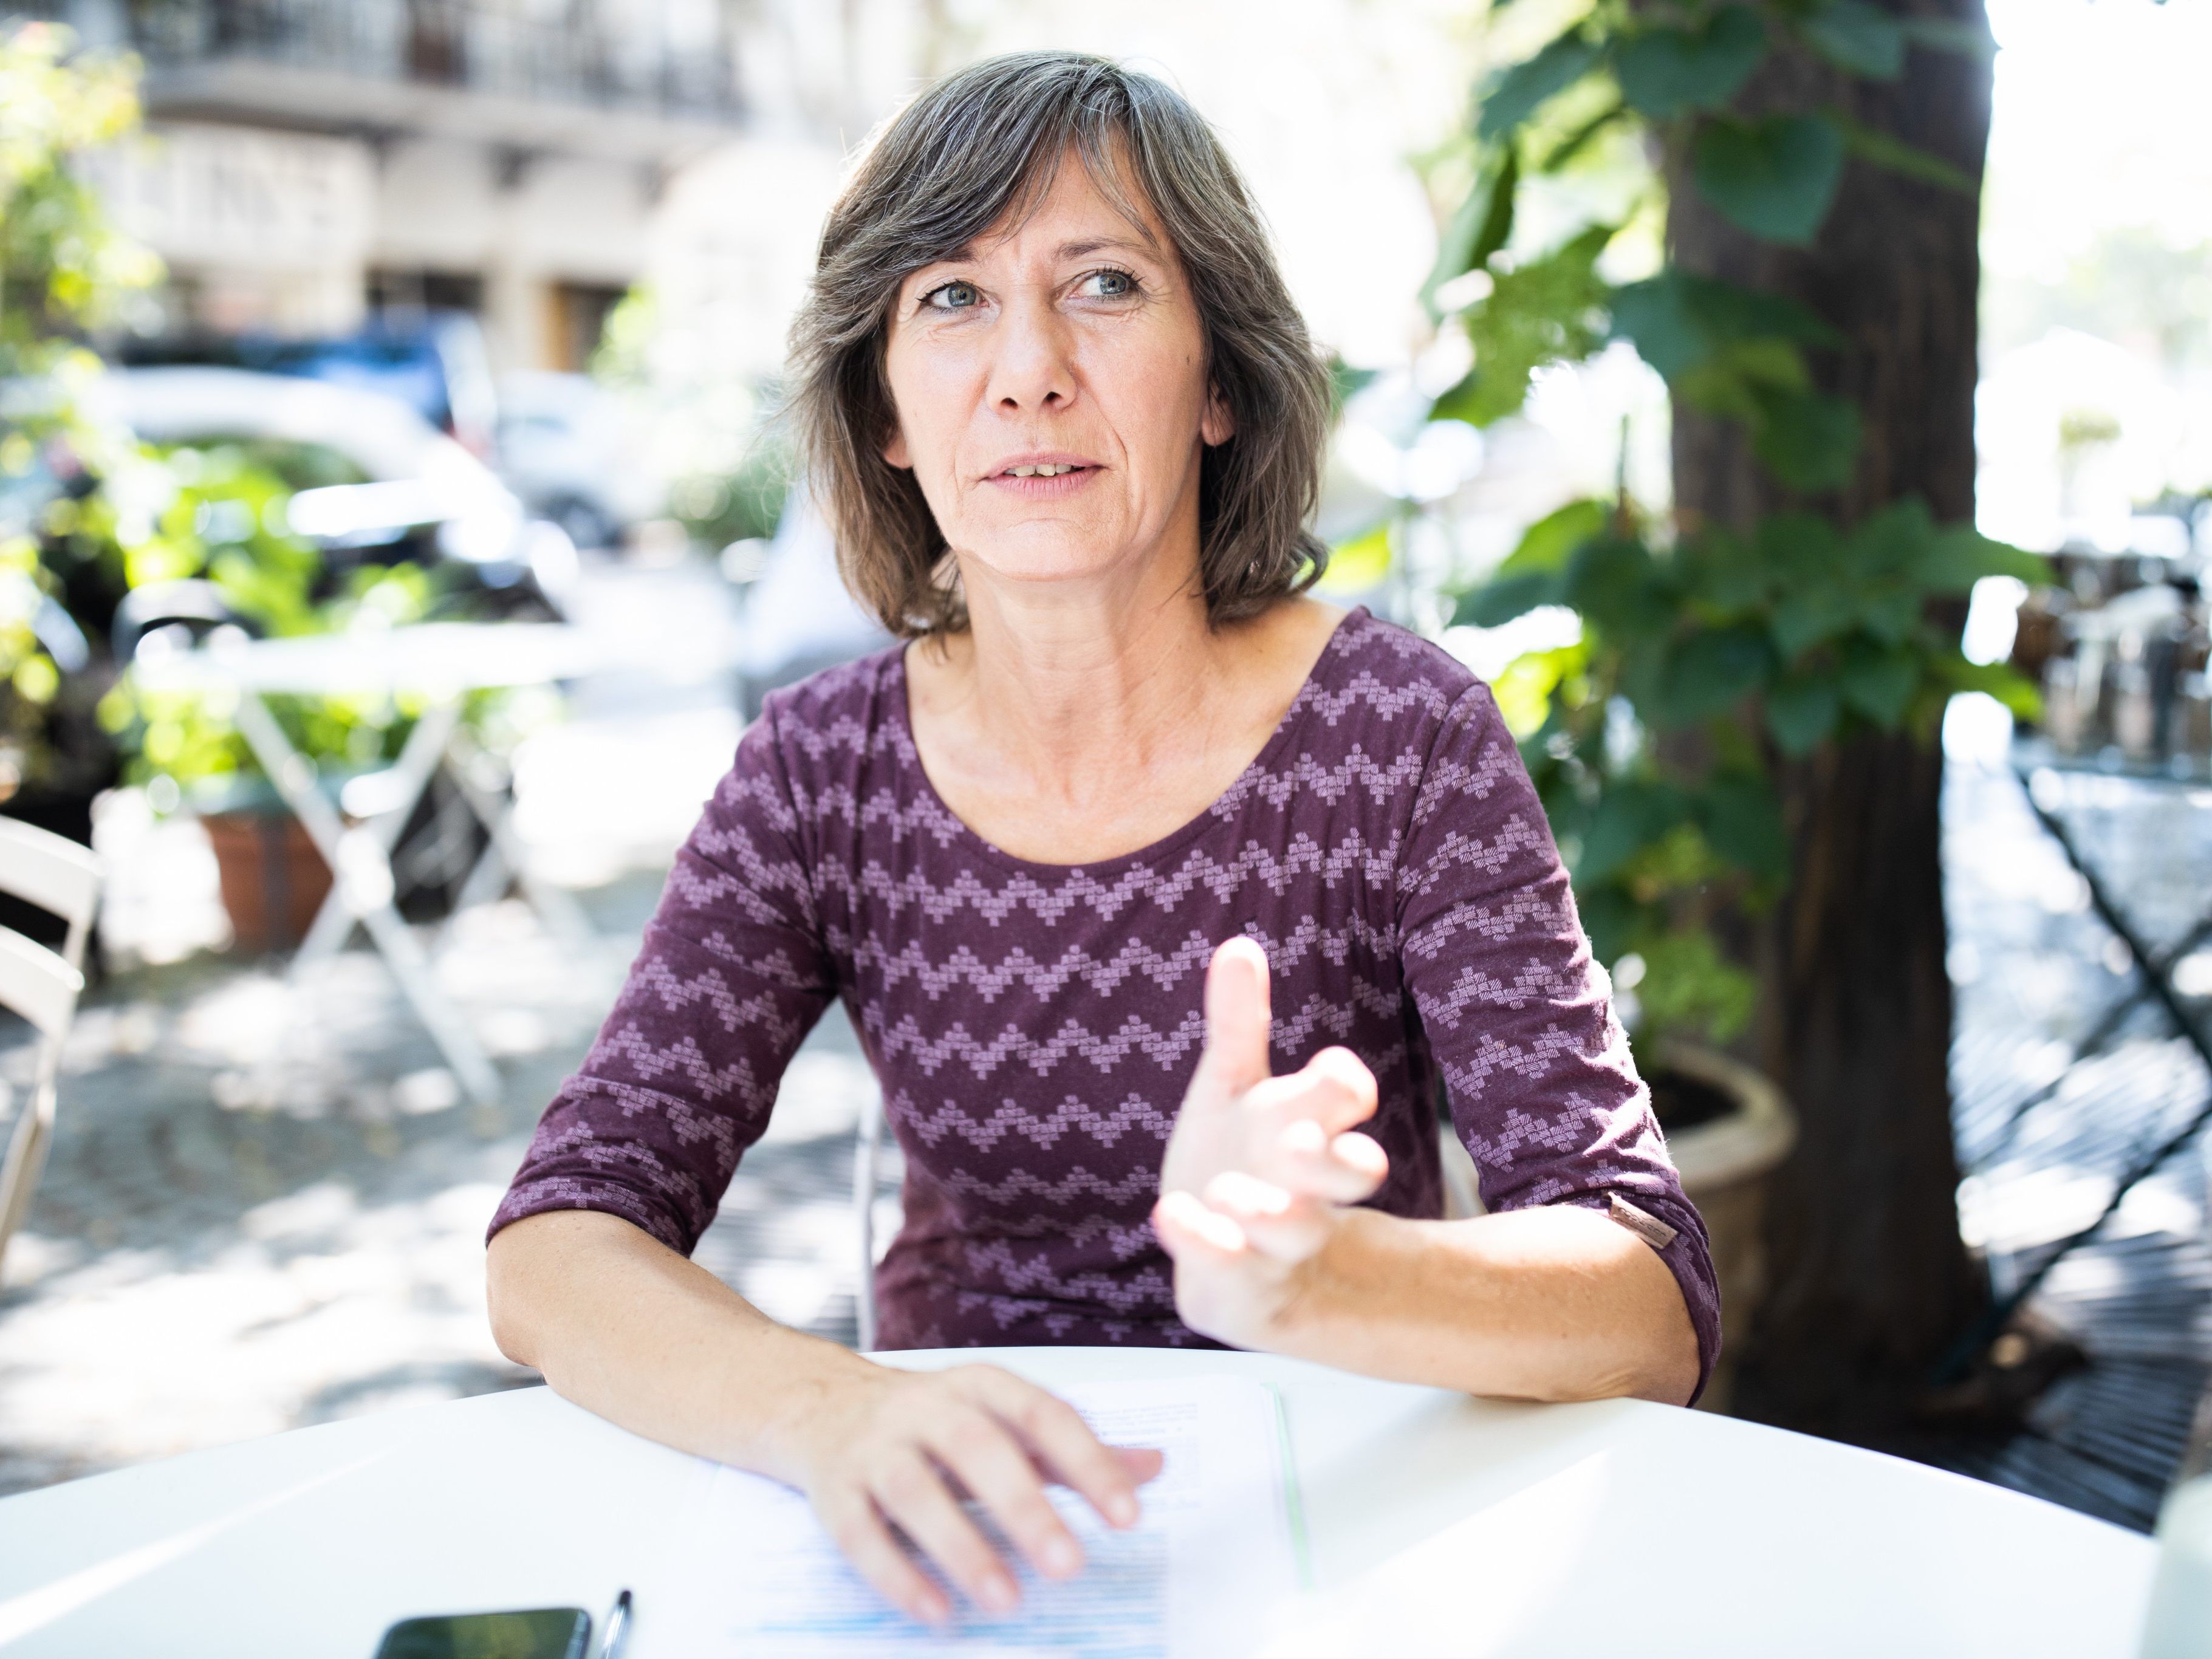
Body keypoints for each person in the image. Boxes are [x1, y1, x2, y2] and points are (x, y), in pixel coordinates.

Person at [486, 50, 1716, 1628]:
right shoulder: (817, 772)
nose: (1028, 370)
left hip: (1354, 1517)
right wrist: (826, 1409)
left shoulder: (1399, 733)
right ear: (884, 415)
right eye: (950, 299)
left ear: (1218, 383)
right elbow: (553, 1246)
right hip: (955, 1524)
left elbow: (1649, 1294)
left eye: (1105, 285)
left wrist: (1302, 1276)